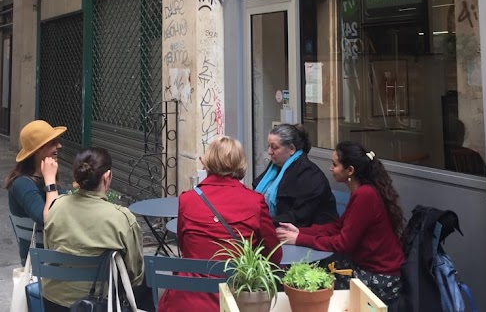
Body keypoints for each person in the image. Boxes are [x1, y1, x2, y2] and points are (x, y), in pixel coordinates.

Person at [159, 136, 282, 311]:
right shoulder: (255, 201)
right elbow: (274, 256)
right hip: (236, 299)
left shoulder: (188, 199)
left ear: (208, 161)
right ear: (240, 163)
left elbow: (184, 246)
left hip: (187, 300)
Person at [275, 141, 405, 303]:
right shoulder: (364, 191)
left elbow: (343, 243)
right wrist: (299, 232)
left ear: (350, 170)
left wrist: (299, 239)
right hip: (374, 268)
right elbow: (339, 226)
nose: (331, 168)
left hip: (379, 277)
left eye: (335, 164)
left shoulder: (364, 195)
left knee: (310, 280)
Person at [42, 147, 155, 312]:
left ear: (76, 176)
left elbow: (50, 248)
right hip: (102, 304)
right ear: (107, 177)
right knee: (144, 283)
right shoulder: (121, 218)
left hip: (54, 302)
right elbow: (134, 274)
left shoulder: (55, 207)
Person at [253, 124, 339, 227]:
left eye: (274, 147)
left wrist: (262, 223)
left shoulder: (310, 175)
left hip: (308, 232)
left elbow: (299, 217)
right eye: (269, 146)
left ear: (291, 149)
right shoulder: (276, 165)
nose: (269, 152)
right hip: (275, 226)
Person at [4, 120, 66, 262]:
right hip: (42, 263)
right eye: (52, 143)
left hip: (57, 256)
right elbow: (50, 219)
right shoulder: (22, 184)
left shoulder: (44, 178)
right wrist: (50, 181)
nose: (59, 146)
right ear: (38, 149)